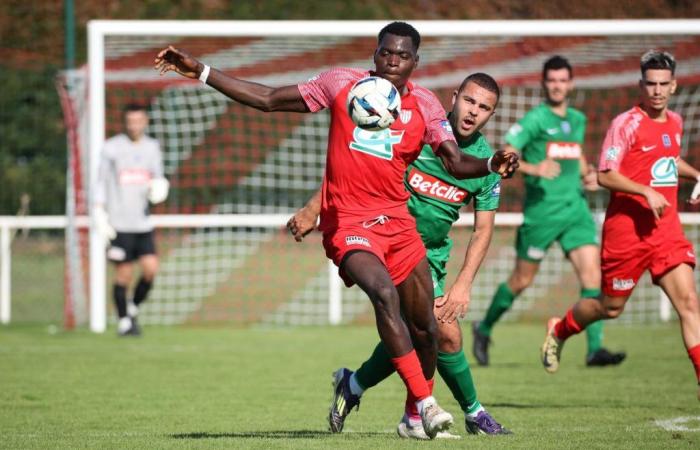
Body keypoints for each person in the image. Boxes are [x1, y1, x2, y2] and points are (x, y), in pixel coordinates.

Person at [154, 21, 518, 438]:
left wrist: (491, 165)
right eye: (385, 52)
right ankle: (430, 404)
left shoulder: (427, 107)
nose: (392, 61)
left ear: (416, 62)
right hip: (351, 223)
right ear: (375, 54)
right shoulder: (341, 84)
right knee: (384, 294)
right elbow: (270, 99)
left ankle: (401, 412)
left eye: (402, 55)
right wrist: (201, 71)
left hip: (399, 227)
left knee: (427, 330)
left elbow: (455, 162)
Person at [288, 73, 511, 438]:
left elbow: (483, 229)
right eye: (469, 101)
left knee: (415, 332)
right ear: (454, 98)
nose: (474, 112)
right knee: (446, 334)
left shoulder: (485, 164)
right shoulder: (419, 130)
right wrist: (314, 208)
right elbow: (353, 169)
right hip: (385, 239)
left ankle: (356, 386)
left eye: (484, 108)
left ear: (492, 114)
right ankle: (473, 414)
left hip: (432, 256)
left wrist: (463, 285)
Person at [540, 50, 700, 398]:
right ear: (641, 85)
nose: (656, 91)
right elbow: (605, 175)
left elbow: (667, 160)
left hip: (666, 231)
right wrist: (645, 192)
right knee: (609, 307)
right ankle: (561, 329)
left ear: (673, 86)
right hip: (626, 234)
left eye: (663, 84)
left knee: (689, 302)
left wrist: (695, 175)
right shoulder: (625, 124)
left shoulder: (674, 121)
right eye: (650, 84)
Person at [472, 56, 626, 368]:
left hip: (575, 211)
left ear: (570, 84)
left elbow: (576, 154)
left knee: (592, 276)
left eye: (562, 80)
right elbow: (507, 153)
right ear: (544, 83)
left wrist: (589, 172)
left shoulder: (578, 120)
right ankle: (484, 327)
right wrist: (533, 167)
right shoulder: (535, 120)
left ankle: (594, 349)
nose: (557, 85)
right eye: (552, 80)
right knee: (521, 281)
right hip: (541, 214)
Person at [94, 103, 169, 337]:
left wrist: (159, 188)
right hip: (119, 224)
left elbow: (157, 178)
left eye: (138, 121)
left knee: (150, 270)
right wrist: (99, 213)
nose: (134, 125)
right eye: (130, 121)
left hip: (143, 224)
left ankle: (132, 308)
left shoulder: (153, 148)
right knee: (124, 275)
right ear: (125, 122)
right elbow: (100, 182)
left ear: (145, 121)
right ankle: (124, 321)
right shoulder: (111, 148)